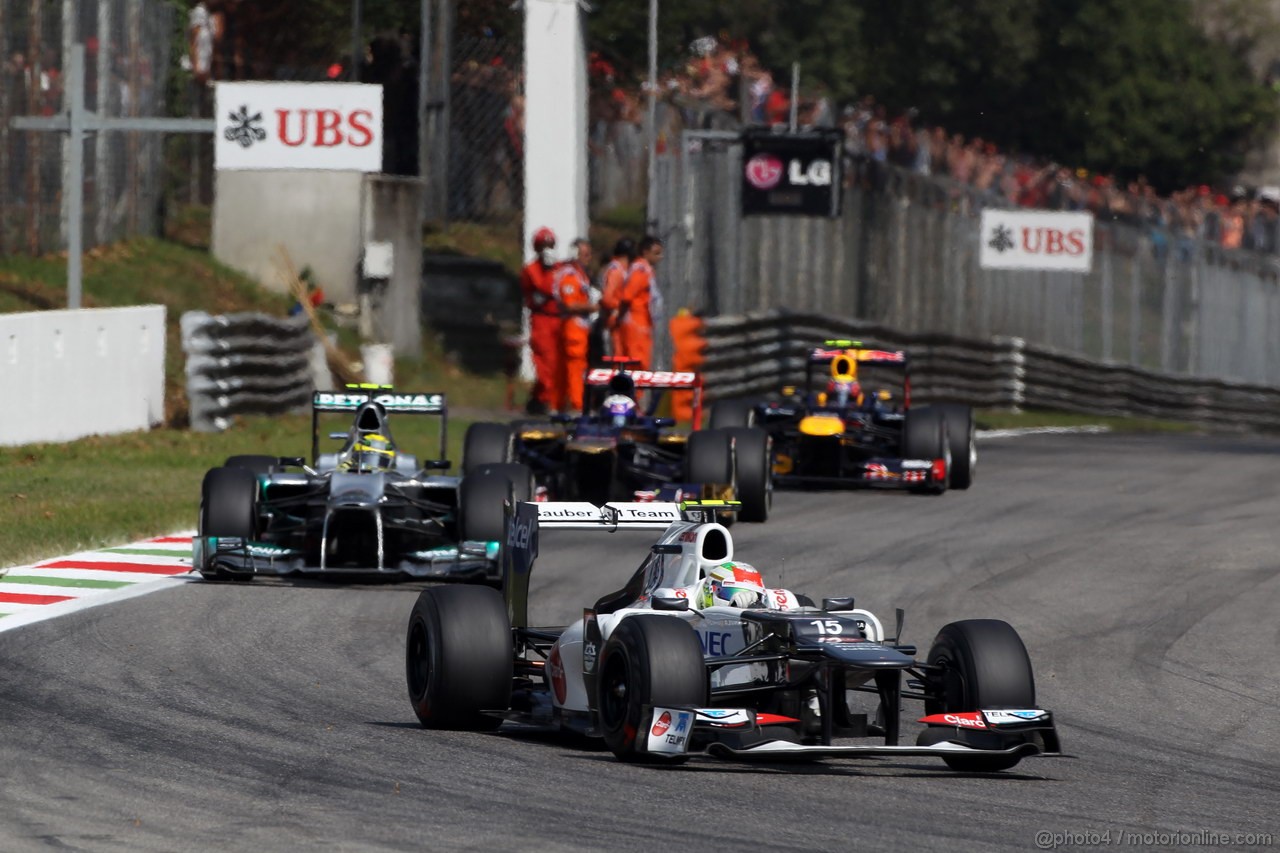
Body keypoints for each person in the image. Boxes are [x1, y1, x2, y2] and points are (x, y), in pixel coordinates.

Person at [521, 226, 560, 415]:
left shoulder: (559, 268)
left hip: (558, 319)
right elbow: (544, 289)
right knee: (545, 363)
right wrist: (548, 270)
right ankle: (547, 402)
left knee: (557, 363)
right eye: (544, 245)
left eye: (550, 244)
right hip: (542, 320)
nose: (547, 248)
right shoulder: (531, 270)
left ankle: (538, 400)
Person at [554, 238, 596, 413]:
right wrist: (594, 306)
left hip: (579, 326)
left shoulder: (580, 274)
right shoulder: (570, 275)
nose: (588, 258)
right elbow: (570, 304)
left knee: (577, 366)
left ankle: (567, 403)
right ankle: (576, 405)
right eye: (584, 254)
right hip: (573, 326)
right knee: (575, 367)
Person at [613, 235, 665, 370]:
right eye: (656, 253)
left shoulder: (645, 269)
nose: (660, 257)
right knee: (637, 364)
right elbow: (627, 296)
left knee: (640, 363)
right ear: (645, 252)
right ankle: (635, 391)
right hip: (636, 323)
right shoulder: (640, 270)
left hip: (642, 321)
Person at [598, 238, 634, 358]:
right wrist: (621, 306)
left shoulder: (620, 269)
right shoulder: (616, 270)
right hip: (615, 321)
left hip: (620, 321)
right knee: (619, 358)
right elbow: (607, 298)